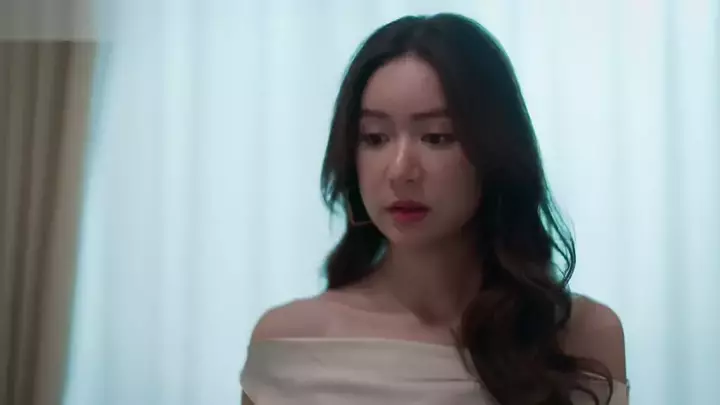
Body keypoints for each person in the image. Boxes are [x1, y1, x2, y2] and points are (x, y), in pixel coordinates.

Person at [240, 13, 628, 405]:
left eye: (437, 137)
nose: (400, 171)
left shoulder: (581, 336)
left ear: (494, 150)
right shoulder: (290, 344)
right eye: (375, 138)